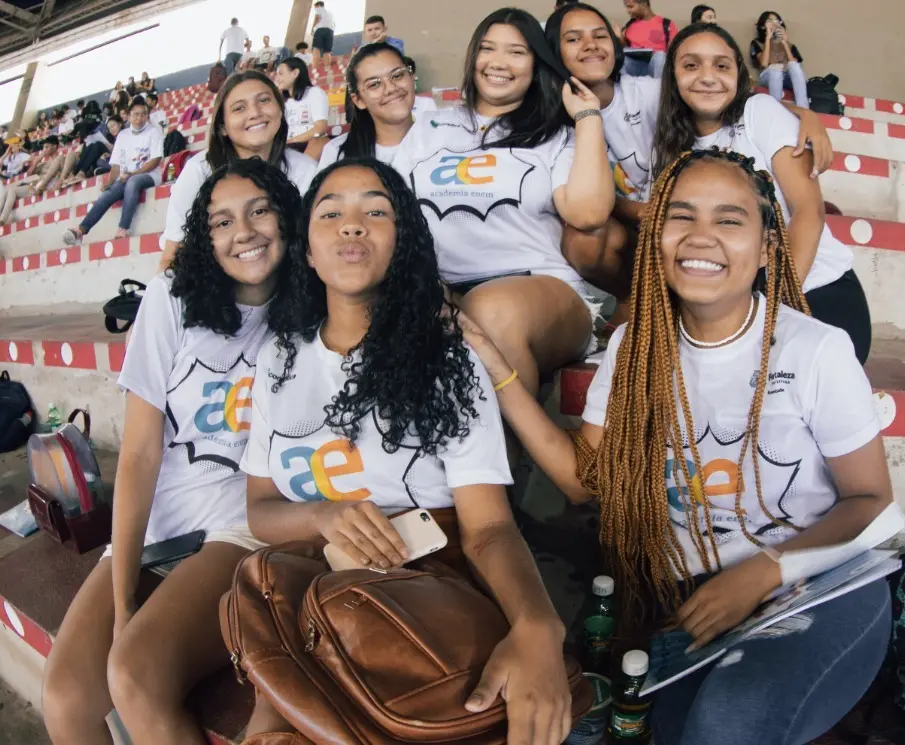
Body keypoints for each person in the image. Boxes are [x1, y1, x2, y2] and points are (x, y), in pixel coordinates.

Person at [461, 147, 893, 745]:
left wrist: (763, 573)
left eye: (729, 219)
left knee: (729, 720)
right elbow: (583, 480)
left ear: (767, 247)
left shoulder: (816, 350)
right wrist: (499, 372)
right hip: (696, 601)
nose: (701, 236)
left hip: (818, 586)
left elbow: (871, 499)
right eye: (681, 216)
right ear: (656, 238)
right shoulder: (633, 348)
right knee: (658, 730)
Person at [238, 158, 574, 744]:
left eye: (375, 211)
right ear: (307, 252)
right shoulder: (279, 360)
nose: (352, 224)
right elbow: (260, 509)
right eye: (330, 213)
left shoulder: (447, 358)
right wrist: (321, 514)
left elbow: (489, 529)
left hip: (423, 584)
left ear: (403, 243)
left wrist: (539, 624)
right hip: (315, 580)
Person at [41, 158, 298, 745]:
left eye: (260, 211)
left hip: (243, 522)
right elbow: (137, 455)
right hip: (165, 515)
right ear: (205, 238)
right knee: (66, 699)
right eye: (222, 222)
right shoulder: (172, 298)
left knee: (136, 672)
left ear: (287, 218)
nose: (244, 232)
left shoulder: (312, 305)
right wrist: (123, 599)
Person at [393, 7, 613, 461]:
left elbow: (589, 212)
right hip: (443, 287)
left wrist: (588, 116)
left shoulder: (555, 134)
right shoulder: (430, 127)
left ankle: (500, 484)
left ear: (536, 65)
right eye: (488, 48)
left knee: (489, 311)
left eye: (516, 52)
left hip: (541, 289)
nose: (498, 62)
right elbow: (393, 209)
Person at [546, 4, 833, 323]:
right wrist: (640, 211)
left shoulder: (653, 94)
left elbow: (724, 93)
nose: (590, 45)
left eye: (600, 35)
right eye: (573, 39)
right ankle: (637, 309)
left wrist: (804, 114)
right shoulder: (554, 122)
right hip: (655, 226)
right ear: (553, 51)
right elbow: (589, 211)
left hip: (752, 258)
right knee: (587, 239)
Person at [649, 23, 869, 363]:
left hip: (813, 288)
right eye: (691, 65)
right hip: (732, 302)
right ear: (672, 76)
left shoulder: (758, 113)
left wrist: (769, 313)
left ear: (738, 74)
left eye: (722, 65)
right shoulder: (669, 147)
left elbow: (809, 212)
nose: (707, 77)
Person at [160, 70, 318, 270]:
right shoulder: (199, 171)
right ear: (222, 126)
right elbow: (172, 256)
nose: (255, 113)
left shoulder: (306, 170)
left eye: (264, 100)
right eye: (239, 108)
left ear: (280, 110)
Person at [61, 98, 163, 245]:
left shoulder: (154, 131)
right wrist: (110, 183)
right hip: (127, 177)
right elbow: (116, 164)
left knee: (132, 182)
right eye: (136, 114)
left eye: (143, 114)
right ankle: (80, 230)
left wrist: (133, 174)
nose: (140, 118)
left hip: (150, 175)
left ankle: (123, 228)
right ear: (128, 116)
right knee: (110, 192)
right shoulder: (123, 135)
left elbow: (156, 160)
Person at [317, 42, 416, 167]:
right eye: (374, 84)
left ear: (411, 77)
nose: (391, 88)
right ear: (359, 100)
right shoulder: (337, 154)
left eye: (397, 75)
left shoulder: (440, 132)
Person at [0, 136, 62, 227]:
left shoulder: (60, 158)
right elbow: (29, 173)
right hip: (35, 186)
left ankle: (2, 220)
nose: (44, 150)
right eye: (44, 147)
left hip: (43, 187)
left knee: (11, 190)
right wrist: (37, 160)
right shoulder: (44, 163)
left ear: (55, 146)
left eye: (47, 147)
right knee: (8, 191)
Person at [274, 57, 330, 161]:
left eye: (280, 74)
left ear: (295, 73)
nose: (276, 79)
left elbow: (320, 129)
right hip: (288, 147)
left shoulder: (314, 93)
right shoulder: (282, 101)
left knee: (318, 142)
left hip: (309, 143)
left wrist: (292, 141)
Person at [750, 11, 807, 109]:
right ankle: (776, 109)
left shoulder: (790, 45)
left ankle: (803, 108)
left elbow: (795, 67)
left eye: (776, 20)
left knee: (795, 66)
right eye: (770, 20)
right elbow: (764, 64)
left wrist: (785, 43)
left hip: (787, 75)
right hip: (768, 75)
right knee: (775, 69)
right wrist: (768, 38)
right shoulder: (757, 43)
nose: (774, 23)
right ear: (762, 26)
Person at [58, 116, 122, 189]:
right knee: (92, 145)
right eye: (109, 128)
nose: (111, 129)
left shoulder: (125, 134)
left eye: (113, 125)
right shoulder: (112, 137)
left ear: (120, 124)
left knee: (98, 144)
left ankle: (80, 173)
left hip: (117, 163)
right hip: (108, 159)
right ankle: (75, 174)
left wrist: (112, 149)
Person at [620, 0, 677, 79]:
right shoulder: (629, 25)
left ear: (643, 4)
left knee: (660, 56)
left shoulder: (666, 24)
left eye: (630, 7)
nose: (628, 11)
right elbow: (623, 48)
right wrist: (619, 37)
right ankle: (625, 85)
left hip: (656, 67)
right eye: (627, 7)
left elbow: (673, 52)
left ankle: (660, 85)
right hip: (635, 66)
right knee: (621, 59)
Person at [310, 1, 335, 68]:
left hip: (320, 30)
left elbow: (317, 17)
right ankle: (327, 68)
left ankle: (314, 68)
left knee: (316, 49)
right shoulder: (330, 13)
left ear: (318, 5)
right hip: (330, 31)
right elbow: (334, 24)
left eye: (315, 7)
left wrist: (312, 28)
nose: (315, 8)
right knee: (327, 51)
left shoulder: (319, 9)